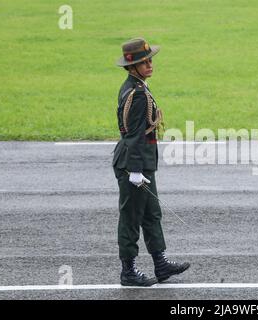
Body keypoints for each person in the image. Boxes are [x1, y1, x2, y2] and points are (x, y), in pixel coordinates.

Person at [112, 37, 190, 286]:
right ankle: (129, 271)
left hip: (142, 160)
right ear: (131, 66)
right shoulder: (136, 94)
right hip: (133, 163)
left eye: (150, 60)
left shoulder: (137, 86)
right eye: (144, 62)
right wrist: (134, 171)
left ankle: (160, 263)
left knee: (151, 214)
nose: (150, 65)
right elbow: (134, 135)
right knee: (131, 217)